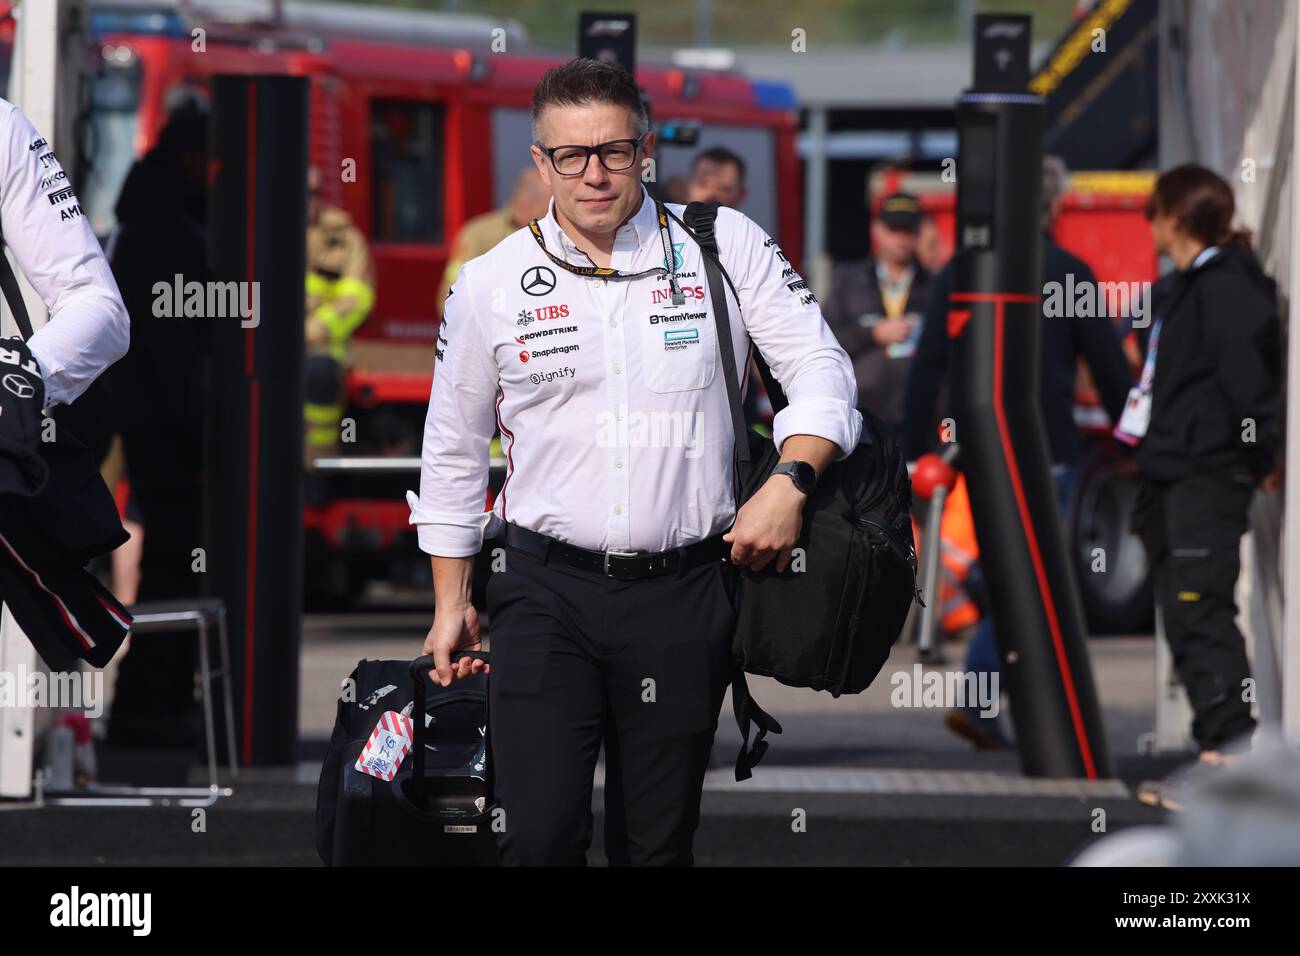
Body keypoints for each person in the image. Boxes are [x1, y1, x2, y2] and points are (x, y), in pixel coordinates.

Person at [406, 57, 861, 866]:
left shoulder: (724, 244)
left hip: (686, 592)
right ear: (541, 163)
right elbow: (451, 453)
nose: (594, 174)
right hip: (544, 593)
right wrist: (450, 605)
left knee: (655, 845)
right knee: (537, 839)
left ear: (645, 150)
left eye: (614, 151)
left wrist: (791, 484)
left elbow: (824, 373)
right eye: (571, 156)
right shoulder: (489, 284)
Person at [904, 155, 1133, 749]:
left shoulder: (963, 270)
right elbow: (1108, 367)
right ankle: (997, 700)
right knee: (1029, 577)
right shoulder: (1069, 273)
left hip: (977, 450)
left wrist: (918, 445)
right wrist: (1133, 441)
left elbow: (928, 361)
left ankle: (1000, 699)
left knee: (1011, 570)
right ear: (1052, 207)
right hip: (1047, 447)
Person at [1125, 166, 1281, 805]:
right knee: (1183, 610)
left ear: (1176, 216)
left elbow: (1250, 381)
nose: (1149, 222)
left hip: (1208, 472)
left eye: (1153, 210)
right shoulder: (1178, 289)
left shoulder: (1231, 289)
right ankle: (1215, 754)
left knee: (1201, 606)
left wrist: (1256, 452)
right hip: (1167, 470)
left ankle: (1231, 760)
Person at [104, 104, 210, 748]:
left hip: (146, 427)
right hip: (168, 437)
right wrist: (196, 432)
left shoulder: (138, 223)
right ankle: (153, 710)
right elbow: (174, 350)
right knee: (176, 568)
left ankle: (153, 706)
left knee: (169, 568)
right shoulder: (170, 232)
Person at [822, 191, 934, 434]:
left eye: (909, 230)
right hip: (860, 415)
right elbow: (825, 340)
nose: (901, 238)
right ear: (877, 230)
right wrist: (872, 333)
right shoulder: (847, 281)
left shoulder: (936, 285)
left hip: (919, 417)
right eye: (894, 229)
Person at [303, 166, 376, 465]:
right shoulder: (258, 228)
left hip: (322, 345)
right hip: (261, 340)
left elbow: (357, 298)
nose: (309, 201)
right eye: (303, 192)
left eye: (314, 194)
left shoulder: (344, 237)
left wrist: (312, 330)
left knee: (319, 377)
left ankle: (314, 469)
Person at [435, 168, 551, 311]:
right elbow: (451, 294)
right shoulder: (477, 235)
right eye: (549, 208)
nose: (553, 215)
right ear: (525, 205)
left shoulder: (551, 236)